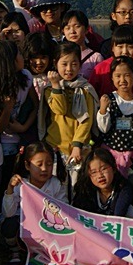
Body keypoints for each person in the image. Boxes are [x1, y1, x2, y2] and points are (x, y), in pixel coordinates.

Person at [0, 41, 36, 196]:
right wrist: (8, 108)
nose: (22, 57)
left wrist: (24, 127)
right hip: (3, 146)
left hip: (24, 139)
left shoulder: (26, 76)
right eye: (18, 54)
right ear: (9, 62)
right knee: (5, 186)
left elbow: (35, 106)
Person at [0, 141, 68, 265]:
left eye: (49, 164)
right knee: (9, 225)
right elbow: (8, 213)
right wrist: (10, 189)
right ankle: (15, 251)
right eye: (39, 164)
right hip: (22, 226)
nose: (44, 169)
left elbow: (64, 210)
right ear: (27, 165)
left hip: (46, 225)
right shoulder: (20, 184)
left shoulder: (56, 184)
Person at [44, 42, 97, 170]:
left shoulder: (85, 89)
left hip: (80, 148)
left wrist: (77, 145)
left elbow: (87, 120)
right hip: (56, 145)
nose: (69, 69)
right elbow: (60, 109)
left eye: (74, 64)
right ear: (55, 63)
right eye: (64, 64)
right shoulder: (49, 89)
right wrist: (56, 86)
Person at [93, 56, 133, 177]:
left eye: (127, 75)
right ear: (112, 78)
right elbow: (103, 129)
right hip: (110, 156)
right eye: (118, 76)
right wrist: (103, 110)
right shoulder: (108, 100)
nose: (122, 80)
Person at [90, 24, 133, 98]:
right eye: (120, 47)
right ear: (112, 48)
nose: (125, 52)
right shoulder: (101, 69)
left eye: (131, 47)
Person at [71, 147, 133, 217]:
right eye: (94, 172)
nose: (100, 175)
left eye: (103, 169)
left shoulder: (123, 188)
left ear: (113, 168)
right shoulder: (85, 190)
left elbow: (118, 215)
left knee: (131, 211)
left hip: (115, 223)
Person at [61, 10, 104, 79]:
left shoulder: (96, 58)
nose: (72, 31)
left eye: (77, 26)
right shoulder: (60, 55)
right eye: (68, 28)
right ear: (63, 31)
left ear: (87, 29)